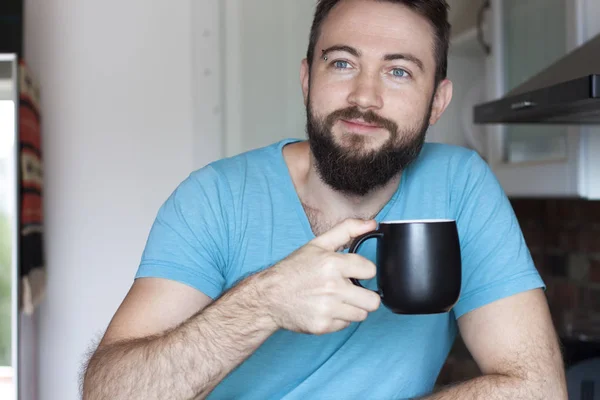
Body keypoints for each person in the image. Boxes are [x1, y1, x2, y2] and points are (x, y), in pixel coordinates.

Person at [82, 0, 567, 398]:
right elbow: (109, 393)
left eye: (398, 72)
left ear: (438, 101)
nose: (364, 96)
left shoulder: (460, 187)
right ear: (307, 78)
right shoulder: (215, 197)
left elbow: (538, 388)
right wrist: (263, 303)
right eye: (342, 63)